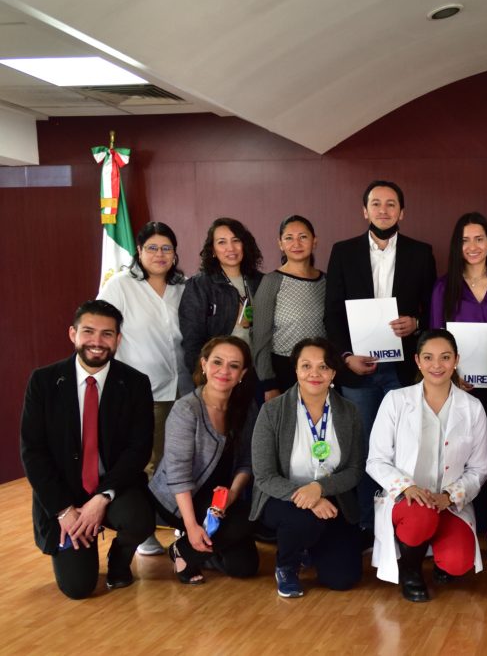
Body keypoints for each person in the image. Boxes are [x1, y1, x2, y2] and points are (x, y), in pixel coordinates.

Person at [19, 300, 155, 599]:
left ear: (118, 339)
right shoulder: (42, 382)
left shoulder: (135, 383)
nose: (97, 341)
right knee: (78, 588)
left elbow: (138, 449)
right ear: (73, 334)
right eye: (88, 331)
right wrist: (64, 510)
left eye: (107, 334)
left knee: (140, 520)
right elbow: (33, 452)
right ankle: (81, 538)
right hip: (63, 494)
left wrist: (101, 498)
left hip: (111, 486)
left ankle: (120, 561)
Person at [324, 179, 437, 538]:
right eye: (376, 204)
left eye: (391, 204)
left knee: (404, 448)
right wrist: (344, 358)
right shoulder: (343, 251)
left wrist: (416, 323)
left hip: (404, 368)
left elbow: (433, 312)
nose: (384, 210)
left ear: (402, 211)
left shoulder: (421, 252)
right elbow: (332, 314)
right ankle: (367, 526)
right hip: (358, 369)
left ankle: (402, 521)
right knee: (362, 448)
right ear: (365, 210)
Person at [367, 329, 487, 602]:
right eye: (429, 358)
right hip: (408, 503)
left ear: (456, 360)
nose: (437, 365)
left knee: (458, 563)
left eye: (445, 357)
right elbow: (376, 460)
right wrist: (407, 487)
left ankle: (438, 556)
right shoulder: (396, 401)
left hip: (448, 504)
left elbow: (479, 469)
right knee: (421, 517)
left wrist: (450, 496)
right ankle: (410, 569)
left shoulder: (473, 408)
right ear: (417, 361)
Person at [98, 220, 189, 556]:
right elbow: (101, 329)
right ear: (139, 251)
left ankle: (180, 523)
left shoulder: (184, 286)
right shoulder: (121, 286)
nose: (160, 254)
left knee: (176, 460)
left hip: (183, 387)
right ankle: (145, 529)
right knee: (146, 461)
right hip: (141, 392)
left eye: (166, 248)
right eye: (152, 247)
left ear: (175, 253)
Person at [430, 212, 487, 562]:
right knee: (460, 461)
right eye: (465, 240)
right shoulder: (443, 286)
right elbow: (436, 340)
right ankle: (456, 527)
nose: (472, 246)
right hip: (459, 391)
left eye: (479, 239)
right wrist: (451, 376)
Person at [251, 338, 365, 598]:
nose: (315, 373)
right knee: (303, 519)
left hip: (332, 499)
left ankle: (309, 549)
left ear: (333, 373)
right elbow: (264, 476)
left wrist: (319, 489)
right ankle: (286, 566)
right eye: (306, 366)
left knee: (343, 579)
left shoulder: (350, 412)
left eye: (323, 367)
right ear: (296, 370)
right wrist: (310, 497)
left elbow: (355, 469)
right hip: (283, 498)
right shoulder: (272, 411)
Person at [149, 336, 259, 584]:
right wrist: (191, 525)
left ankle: (186, 550)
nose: (224, 371)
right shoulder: (186, 409)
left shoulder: (246, 407)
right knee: (239, 523)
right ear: (204, 364)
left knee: (244, 567)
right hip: (179, 500)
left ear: (242, 373)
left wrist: (232, 493)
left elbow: (246, 462)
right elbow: (178, 475)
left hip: (219, 498)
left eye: (234, 365)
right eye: (217, 362)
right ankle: (189, 546)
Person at [252, 215, 326, 400]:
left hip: (321, 370)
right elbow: (260, 338)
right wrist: (268, 383)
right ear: (280, 244)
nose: (296, 243)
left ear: (314, 241)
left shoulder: (327, 281)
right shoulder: (271, 281)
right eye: (289, 238)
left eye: (303, 237)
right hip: (283, 370)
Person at [179, 217, 264, 376]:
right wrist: (203, 378)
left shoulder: (261, 281)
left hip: (257, 371)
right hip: (221, 374)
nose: (230, 248)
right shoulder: (199, 285)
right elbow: (192, 341)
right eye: (222, 242)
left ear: (244, 245)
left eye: (236, 240)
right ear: (212, 250)